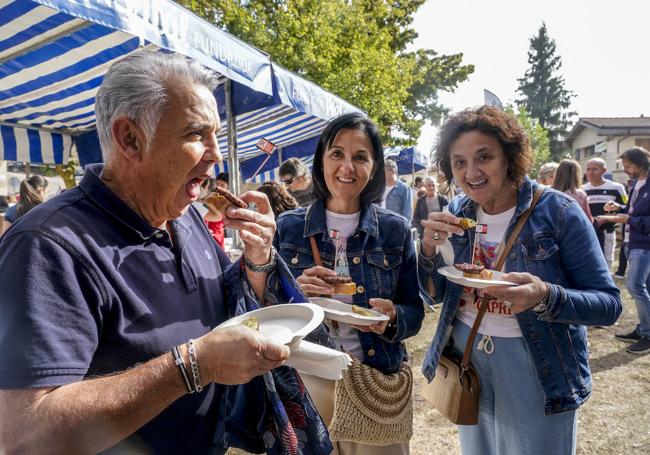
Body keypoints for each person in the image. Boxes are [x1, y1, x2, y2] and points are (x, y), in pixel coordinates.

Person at [0, 50, 318, 454]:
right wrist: (191, 365)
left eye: (216, 134)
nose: (216, 153)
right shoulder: (46, 246)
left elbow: (227, 300)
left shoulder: (185, 216)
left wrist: (258, 262)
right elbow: (24, 435)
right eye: (195, 134)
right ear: (129, 139)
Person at [417, 106, 621, 455]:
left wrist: (545, 295)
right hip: (470, 360)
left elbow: (608, 304)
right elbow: (433, 295)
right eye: (459, 162)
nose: (471, 172)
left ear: (510, 157)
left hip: (536, 361)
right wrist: (428, 252)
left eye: (484, 157)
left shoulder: (557, 212)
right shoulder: (456, 214)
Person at [274, 113, 424, 455]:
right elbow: (265, 309)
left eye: (360, 157)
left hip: (374, 384)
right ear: (322, 160)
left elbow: (414, 311)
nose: (347, 166)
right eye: (337, 154)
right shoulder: (289, 227)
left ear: (374, 167)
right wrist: (296, 288)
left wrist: (393, 319)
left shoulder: (395, 230)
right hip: (306, 381)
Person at [601, 147, 650, 354]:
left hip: (644, 245)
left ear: (639, 163)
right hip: (631, 243)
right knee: (645, 287)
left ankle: (648, 333)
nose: (627, 170)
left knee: (635, 286)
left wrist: (630, 219)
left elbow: (642, 219)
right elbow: (632, 210)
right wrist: (619, 208)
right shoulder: (635, 184)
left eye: (628, 165)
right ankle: (642, 329)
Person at [583, 158, 628, 270]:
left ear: (604, 170)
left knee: (607, 257)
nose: (590, 172)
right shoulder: (582, 189)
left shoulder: (617, 187)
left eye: (594, 169)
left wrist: (615, 208)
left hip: (608, 230)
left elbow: (627, 207)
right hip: (589, 231)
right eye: (588, 169)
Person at [552, 159, 593, 223]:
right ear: (576, 175)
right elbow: (588, 219)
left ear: (558, 173)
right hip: (573, 230)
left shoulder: (547, 192)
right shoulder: (580, 195)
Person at [203, 172, 229, 248]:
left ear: (228, 186)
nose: (219, 186)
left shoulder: (227, 201)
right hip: (207, 230)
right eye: (217, 183)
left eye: (222, 185)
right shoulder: (211, 196)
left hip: (218, 231)